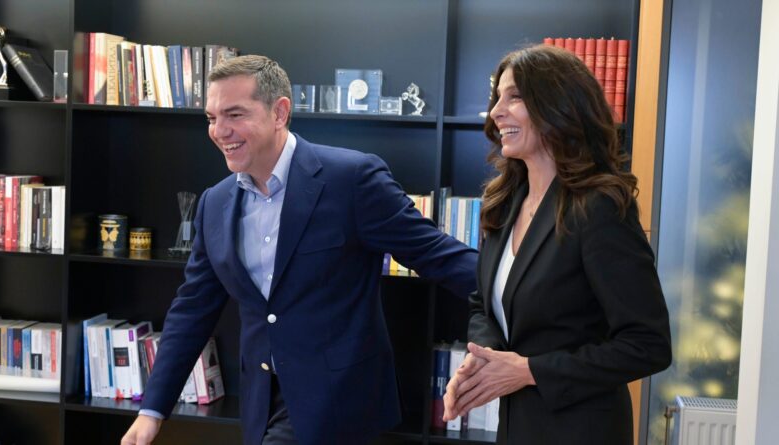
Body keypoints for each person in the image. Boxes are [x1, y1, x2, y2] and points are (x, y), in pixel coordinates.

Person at [120, 54, 478, 445]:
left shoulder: (352, 179)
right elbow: (192, 310)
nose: (220, 131)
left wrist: (518, 297)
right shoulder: (214, 203)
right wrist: (152, 410)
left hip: (337, 399)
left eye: (235, 114)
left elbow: (435, 254)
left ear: (280, 112)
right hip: (261, 402)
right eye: (211, 117)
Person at [442, 45, 672, 444]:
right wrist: (483, 360)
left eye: (515, 97)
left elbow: (648, 345)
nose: (496, 112)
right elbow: (483, 304)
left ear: (558, 106)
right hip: (517, 427)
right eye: (497, 98)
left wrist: (528, 370)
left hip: (582, 431)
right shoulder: (503, 203)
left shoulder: (599, 208)